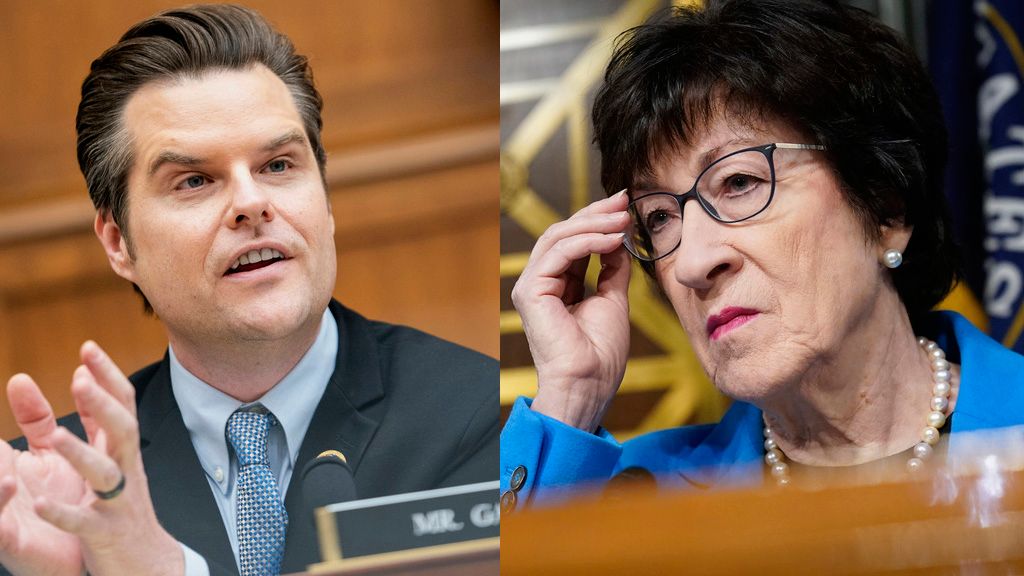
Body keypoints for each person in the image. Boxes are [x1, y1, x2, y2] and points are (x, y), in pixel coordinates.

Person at [0, 5, 497, 576]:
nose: (251, 203)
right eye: (194, 180)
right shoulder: (49, 500)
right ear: (118, 242)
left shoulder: (477, 417)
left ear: (326, 200)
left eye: (279, 165)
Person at [500, 0, 1024, 510]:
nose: (692, 263)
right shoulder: (633, 497)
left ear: (886, 210)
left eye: (740, 181)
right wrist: (572, 394)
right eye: (659, 217)